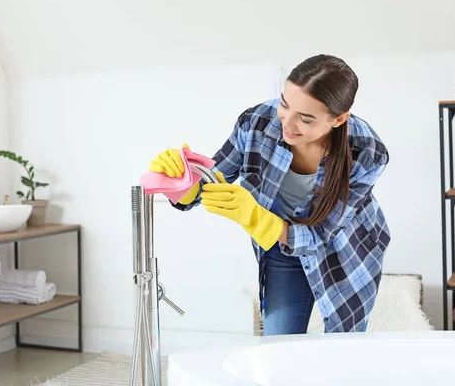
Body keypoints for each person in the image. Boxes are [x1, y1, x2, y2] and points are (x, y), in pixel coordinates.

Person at [149, 54, 390, 335]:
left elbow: (322, 235)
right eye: (285, 104)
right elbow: (212, 183)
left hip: (345, 250)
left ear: (339, 119)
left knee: (342, 348)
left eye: (306, 119)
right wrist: (180, 179)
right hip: (280, 246)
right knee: (278, 345)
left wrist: (256, 217)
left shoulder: (367, 151)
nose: (288, 122)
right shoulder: (256, 123)